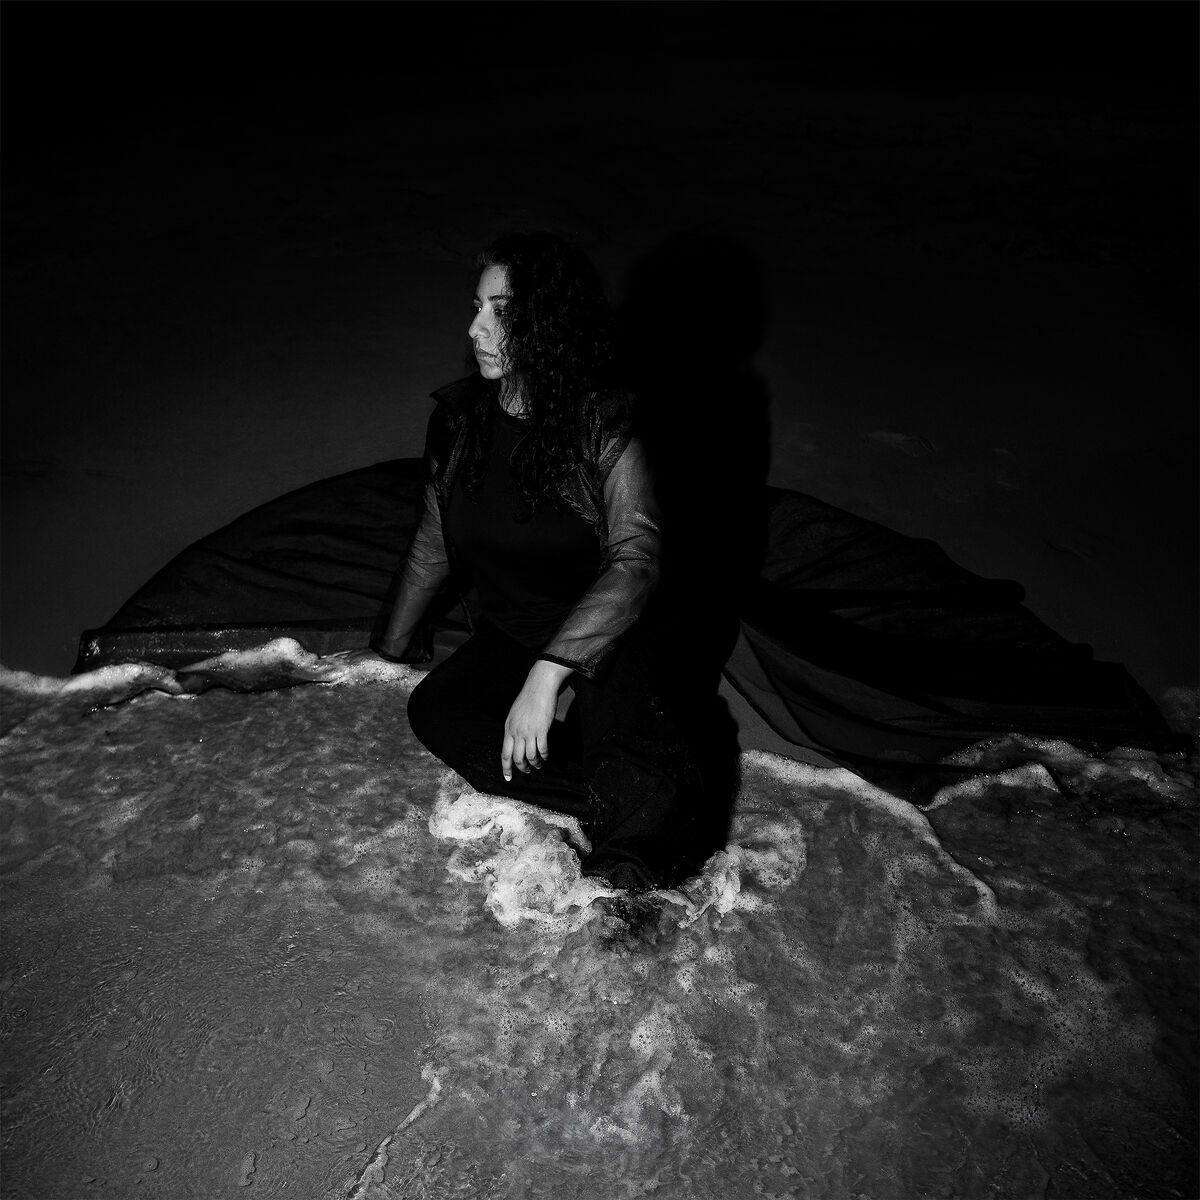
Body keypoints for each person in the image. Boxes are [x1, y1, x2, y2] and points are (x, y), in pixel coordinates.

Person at [351, 232, 710, 890]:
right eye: (477, 307)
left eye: (502, 312)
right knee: (437, 712)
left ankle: (638, 804)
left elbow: (635, 561)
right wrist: (390, 650)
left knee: (635, 818)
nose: (475, 329)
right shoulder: (462, 422)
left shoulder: (603, 422)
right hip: (520, 625)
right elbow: (433, 543)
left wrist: (546, 679)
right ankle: (619, 795)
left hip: (615, 630)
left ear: (549, 326)